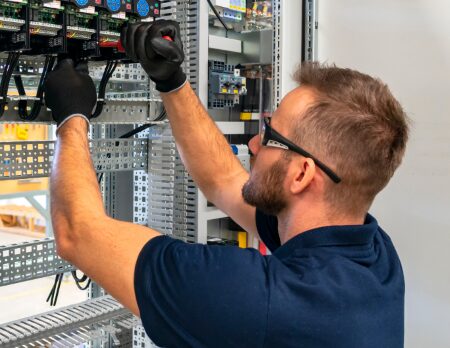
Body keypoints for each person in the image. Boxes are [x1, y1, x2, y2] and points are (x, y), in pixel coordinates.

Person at [44, 20, 408, 348]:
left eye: (270, 136)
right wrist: (171, 81)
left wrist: (71, 118)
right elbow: (223, 180)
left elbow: (77, 233)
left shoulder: (266, 303)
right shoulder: (374, 255)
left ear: (301, 175)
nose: (253, 145)